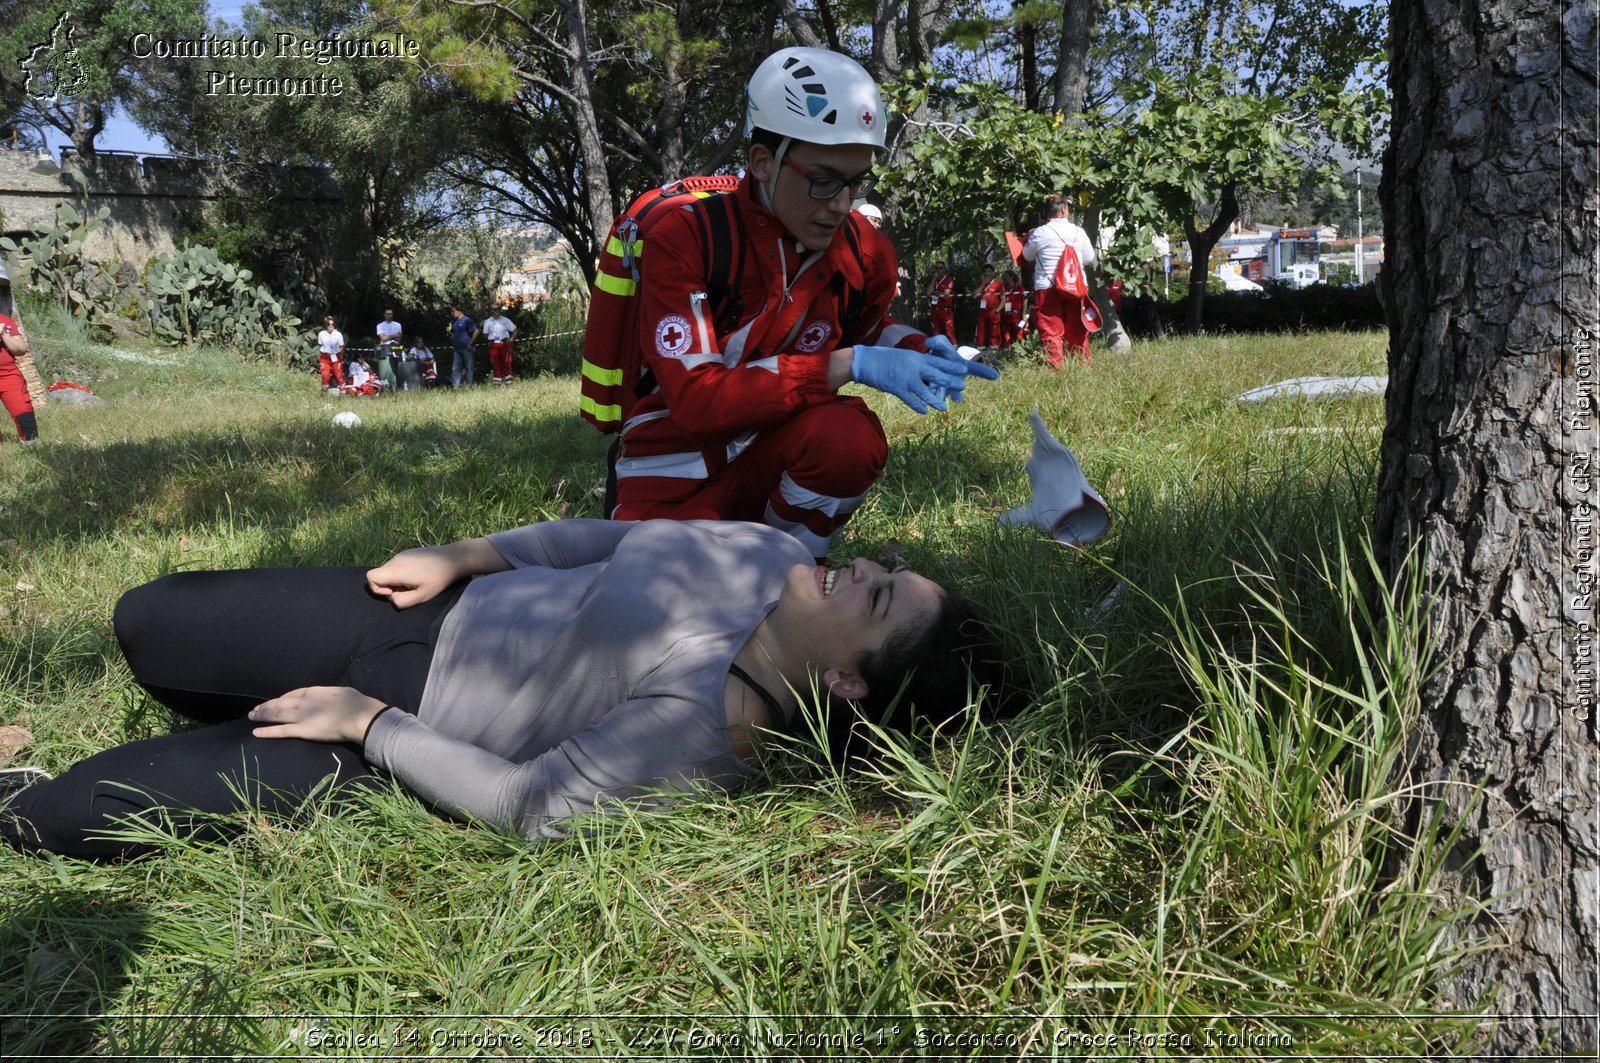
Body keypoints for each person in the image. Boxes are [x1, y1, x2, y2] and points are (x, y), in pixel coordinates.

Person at [0, 519, 1008, 861]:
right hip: (416, 616)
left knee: (62, 811)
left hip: (390, 732)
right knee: (147, 615)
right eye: (883, 564)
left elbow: (527, 806)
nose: (862, 565)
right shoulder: (771, 548)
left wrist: (368, 722)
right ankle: (222, 697)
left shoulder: (712, 728)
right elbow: (604, 539)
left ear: (844, 682)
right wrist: (463, 554)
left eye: (876, 597)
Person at [607, 46, 997, 559]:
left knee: (847, 439)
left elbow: (866, 328)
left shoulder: (865, 247)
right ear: (763, 163)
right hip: (672, 481)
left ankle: (793, 568)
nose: (841, 204)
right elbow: (700, 400)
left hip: (770, 456)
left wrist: (920, 346)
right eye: (823, 180)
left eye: (855, 182)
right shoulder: (688, 238)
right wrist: (849, 364)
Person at [1021, 195, 1097, 368]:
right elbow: (1089, 258)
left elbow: (1027, 256)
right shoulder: (1079, 231)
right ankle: (1082, 369)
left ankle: (1056, 372)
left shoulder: (1039, 232)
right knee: (1078, 331)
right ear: (1065, 210)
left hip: (1048, 289)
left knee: (1051, 334)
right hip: (1076, 287)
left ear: (1048, 212)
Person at [0, 309, 40, 445]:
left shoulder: (5, 321)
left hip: (7, 375)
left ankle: (33, 449)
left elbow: (21, 349)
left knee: (23, 411)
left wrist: (4, 335)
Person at [482, 305, 518, 385]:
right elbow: (485, 334)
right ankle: (497, 383)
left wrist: (511, 339)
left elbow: (515, 330)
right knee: (495, 364)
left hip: (504, 343)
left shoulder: (506, 320)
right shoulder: (488, 322)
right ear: (492, 310)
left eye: (498, 309)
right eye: (495, 309)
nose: (497, 310)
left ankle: (509, 383)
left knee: (507, 363)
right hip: (493, 344)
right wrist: (491, 339)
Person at [449, 306, 479, 388]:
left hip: (467, 349)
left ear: (459, 311)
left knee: (469, 368)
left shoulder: (467, 320)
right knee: (455, 369)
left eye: (453, 311)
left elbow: (476, 331)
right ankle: (455, 387)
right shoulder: (454, 322)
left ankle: (468, 386)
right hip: (456, 350)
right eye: (451, 312)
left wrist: (470, 343)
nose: (452, 313)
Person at [927, 261, 957, 344]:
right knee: (935, 332)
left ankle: (955, 349)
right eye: (936, 268)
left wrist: (935, 292)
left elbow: (945, 294)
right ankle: (938, 350)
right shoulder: (934, 280)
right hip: (934, 310)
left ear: (944, 269)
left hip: (945, 310)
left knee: (949, 332)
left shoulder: (948, 280)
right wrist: (933, 279)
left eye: (940, 268)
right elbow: (929, 293)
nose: (938, 270)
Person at [975, 267, 1004, 350]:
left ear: (993, 273)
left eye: (989, 271)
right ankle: (981, 346)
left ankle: (994, 346)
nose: (987, 273)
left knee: (994, 329)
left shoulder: (998, 284)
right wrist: (983, 284)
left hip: (993, 310)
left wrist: (997, 310)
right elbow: (975, 296)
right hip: (983, 310)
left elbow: (1003, 299)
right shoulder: (981, 283)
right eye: (985, 272)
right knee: (981, 328)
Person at [374, 309, 403, 391]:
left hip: (396, 348)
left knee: (397, 368)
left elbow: (399, 338)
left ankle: (397, 387)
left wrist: (388, 337)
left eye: (391, 314)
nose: (389, 315)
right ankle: (386, 388)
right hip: (384, 348)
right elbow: (382, 338)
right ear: (384, 315)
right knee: (385, 369)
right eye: (387, 314)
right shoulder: (380, 325)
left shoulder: (398, 325)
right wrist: (394, 335)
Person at [316, 315, 346, 393]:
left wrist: (341, 356)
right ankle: (324, 391)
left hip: (336, 355)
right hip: (325, 357)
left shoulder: (338, 334)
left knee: (338, 374)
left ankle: (343, 391)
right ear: (326, 325)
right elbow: (320, 345)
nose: (331, 326)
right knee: (325, 375)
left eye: (332, 324)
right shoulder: (321, 334)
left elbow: (341, 346)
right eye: (329, 324)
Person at [1000, 269, 1027, 351]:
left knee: (1019, 333)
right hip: (1006, 316)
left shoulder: (1020, 288)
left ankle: (1021, 351)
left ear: (1011, 277)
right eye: (1004, 277)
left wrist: (1023, 314)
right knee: (1006, 334)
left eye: (1006, 276)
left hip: (1017, 316)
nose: (1005, 278)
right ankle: (1009, 350)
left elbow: (1025, 300)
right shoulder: (1003, 288)